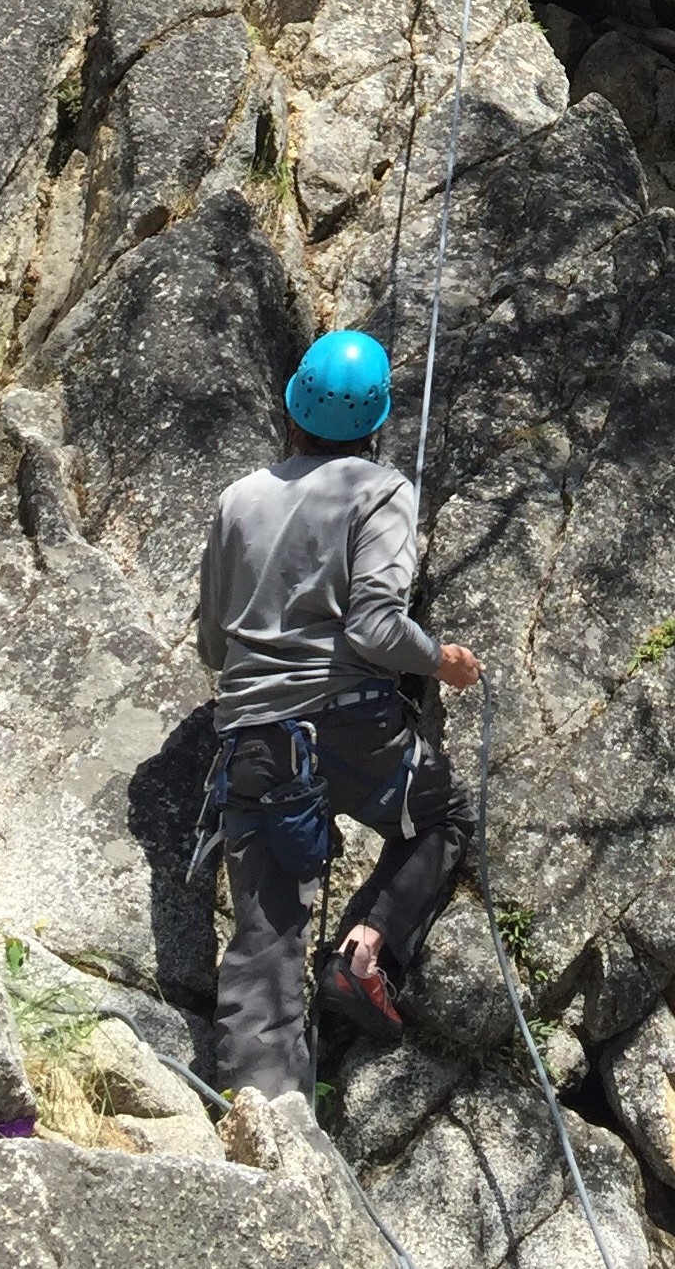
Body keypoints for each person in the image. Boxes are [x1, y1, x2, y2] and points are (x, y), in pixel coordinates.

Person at [196, 329, 481, 1097]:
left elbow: (214, 646)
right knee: (442, 813)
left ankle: (266, 1123)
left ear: (294, 408)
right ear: (377, 417)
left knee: (266, 938)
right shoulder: (381, 490)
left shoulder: (238, 499)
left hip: (256, 741)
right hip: (351, 730)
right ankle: (368, 951)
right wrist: (441, 662)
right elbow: (376, 627)